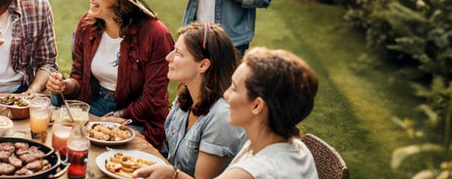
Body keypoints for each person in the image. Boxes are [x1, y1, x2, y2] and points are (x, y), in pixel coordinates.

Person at [45, 0, 173, 148]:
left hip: (136, 115)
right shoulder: (87, 25)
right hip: (94, 102)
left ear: (121, 1)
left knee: (112, 148)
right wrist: (65, 85)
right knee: (61, 135)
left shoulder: (155, 35)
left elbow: (152, 100)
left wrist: (114, 117)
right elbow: (78, 76)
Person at [133, 48, 319, 179]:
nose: (226, 94)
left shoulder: (251, 172)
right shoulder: (291, 146)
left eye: (234, 88)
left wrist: (171, 174)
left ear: (257, 106)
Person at [160, 23, 246, 179]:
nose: (168, 57)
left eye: (178, 53)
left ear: (203, 65)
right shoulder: (185, 98)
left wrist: (170, 174)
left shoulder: (222, 117)